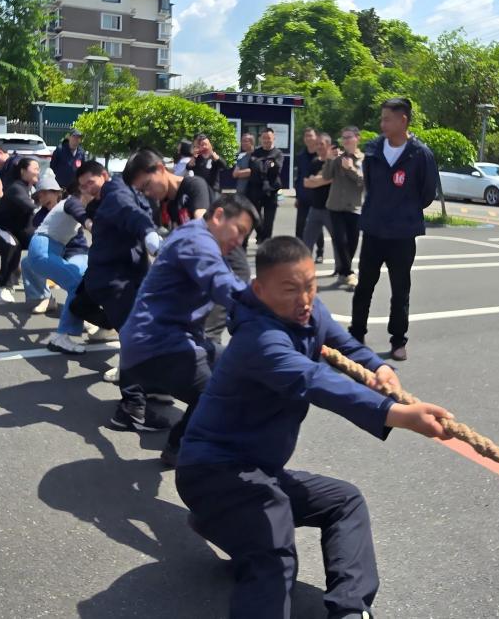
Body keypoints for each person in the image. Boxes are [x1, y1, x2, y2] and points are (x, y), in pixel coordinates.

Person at [175, 236, 454, 618]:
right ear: (259, 289)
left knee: (344, 501)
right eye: (290, 289)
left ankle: (350, 610)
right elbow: (318, 382)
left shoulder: (306, 312)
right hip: (212, 471)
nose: (304, 299)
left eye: (310, 285)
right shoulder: (260, 340)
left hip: (259, 471)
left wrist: (380, 366)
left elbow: (345, 345)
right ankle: (225, 520)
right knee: (275, 553)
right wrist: (398, 414)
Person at [114, 196, 260, 461]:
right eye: (239, 230)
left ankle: (188, 442)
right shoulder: (198, 242)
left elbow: (228, 292)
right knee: (219, 393)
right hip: (156, 346)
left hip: (170, 340)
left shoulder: (197, 236)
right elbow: (224, 284)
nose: (240, 241)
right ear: (218, 216)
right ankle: (183, 450)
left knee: (235, 364)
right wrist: (272, 309)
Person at [350, 98, 439, 363]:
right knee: (364, 285)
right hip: (374, 229)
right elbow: (370, 185)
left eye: (387, 119)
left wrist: (405, 211)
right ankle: (356, 335)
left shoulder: (420, 154)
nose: (382, 124)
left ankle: (398, 340)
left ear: (403, 120)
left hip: (403, 234)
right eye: (382, 119)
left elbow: (426, 193)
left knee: (400, 289)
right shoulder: (375, 149)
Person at [68, 150, 161, 336]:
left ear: (104, 175)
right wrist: (86, 218)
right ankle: (108, 329)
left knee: (132, 331)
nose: (88, 188)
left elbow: (130, 212)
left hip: (117, 277)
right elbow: (71, 205)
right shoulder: (98, 201)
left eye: (90, 182)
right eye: (83, 186)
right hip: (103, 271)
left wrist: (150, 235)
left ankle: (135, 361)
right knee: (79, 306)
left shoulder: (115, 193)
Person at [38, 162, 108, 355]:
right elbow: (80, 215)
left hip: (48, 249)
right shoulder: (72, 202)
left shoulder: (75, 204)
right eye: (85, 188)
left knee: (81, 284)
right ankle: (62, 335)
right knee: (77, 285)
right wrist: (92, 226)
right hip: (44, 249)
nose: (90, 192)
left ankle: (97, 325)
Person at [0, 156, 41, 303]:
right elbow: (31, 208)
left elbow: (29, 223)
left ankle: (23, 277)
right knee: (12, 245)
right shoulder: (17, 188)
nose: (38, 172)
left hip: (10, 228)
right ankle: (2, 289)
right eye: (35, 168)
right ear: (23, 171)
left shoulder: (30, 188)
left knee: (36, 243)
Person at [21, 170, 72, 314]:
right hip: (52, 251)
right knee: (28, 262)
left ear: (57, 193)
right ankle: (43, 297)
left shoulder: (68, 207)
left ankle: (86, 307)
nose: (42, 198)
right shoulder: (39, 217)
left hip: (72, 250)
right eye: (39, 195)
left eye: (46, 193)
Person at [324, 126, 366, 289]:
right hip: (335, 206)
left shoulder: (364, 159)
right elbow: (327, 176)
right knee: (340, 240)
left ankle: (343, 272)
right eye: (343, 138)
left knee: (352, 242)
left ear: (357, 138)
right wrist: (329, 159)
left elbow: (364, 182)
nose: (346, 141)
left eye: (349, 137)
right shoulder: (337, 158)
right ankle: (349, 273)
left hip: (354, 207)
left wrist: (351, 168)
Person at [300, 132, 341, 272]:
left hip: (331, 209)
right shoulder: (314, 162)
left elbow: (330, 179)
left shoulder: (336, 162)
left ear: (329, 146)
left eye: (321, 144)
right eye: (317, 144)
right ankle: (305, 269)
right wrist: (321, 179)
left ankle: (340, 269)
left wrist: (316, 180)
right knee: (307, 242)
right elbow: (306, 183)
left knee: (338, 241)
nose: (319, 147)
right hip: (315, 208)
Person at [239, 128, 285, 242]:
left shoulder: (278, 153)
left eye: (268, 138)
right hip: (256, 191)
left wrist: (270, 165)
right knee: (255, 218)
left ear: (273, 138)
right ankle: (258, 238)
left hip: (271, 192)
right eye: (264, 138)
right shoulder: (256, 153)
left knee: (269, 222)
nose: (266, 140)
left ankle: (266, 243)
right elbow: (253, 170)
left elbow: (277, 169)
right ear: (260, 139)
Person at [294, 126, 325, 261]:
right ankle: (299, 252)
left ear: (316, 137)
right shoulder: (301, 156)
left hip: (317, 196)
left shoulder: (321, 156)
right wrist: (297, 196)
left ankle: (320, 252)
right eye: (306, 136)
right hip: (303, 196)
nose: (308, 138)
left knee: (316, 226)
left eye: (310, 135)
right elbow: (299, 177)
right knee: (300, 225)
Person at [50, 128, 90, 193]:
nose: (76, 139)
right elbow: (52, 166)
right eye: (74, 137)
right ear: (69, 137)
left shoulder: (81, 152)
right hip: (61, 187)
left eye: (78, 137)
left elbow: (83, 169)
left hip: (75, 188)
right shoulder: (60, 150)